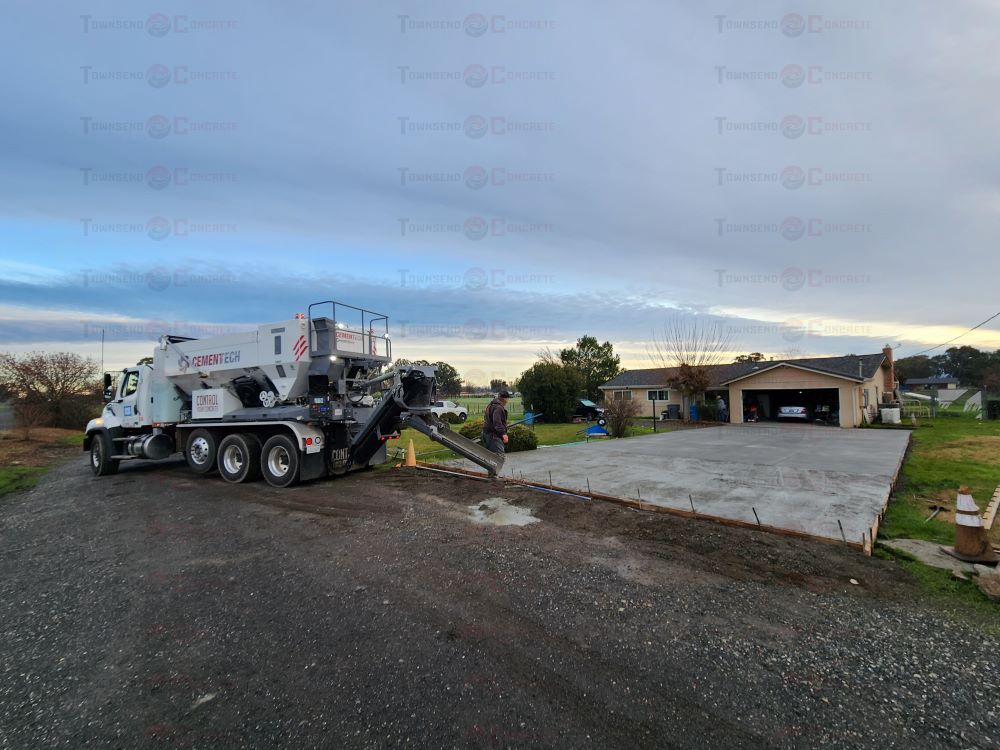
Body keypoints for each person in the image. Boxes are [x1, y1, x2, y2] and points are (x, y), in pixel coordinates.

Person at [482, 389, 510, 455]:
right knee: (499, 457)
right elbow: (497, 422)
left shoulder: (491, 405)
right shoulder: (498, 408)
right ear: (505, 399)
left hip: (486, 433)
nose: (508, 401)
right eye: (508, 399)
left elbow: (488, 420)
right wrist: (503, 434)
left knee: (490, 457)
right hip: (494, 436)